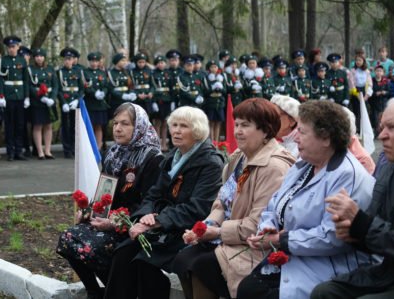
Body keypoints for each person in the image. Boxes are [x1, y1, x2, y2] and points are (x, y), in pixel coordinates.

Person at [237, 100, 376, 299]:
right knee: (247, 288)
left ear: (326, 138)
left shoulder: (346, 175)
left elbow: (333, 238)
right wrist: (268, 227)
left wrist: (281, 240)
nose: (296, 140)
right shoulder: (304, 164)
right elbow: (274, 204)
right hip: (294, 257)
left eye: (302, 132)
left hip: (329, 266)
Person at [313, 95, 394, 299]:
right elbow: (378, 229)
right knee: (325, 293)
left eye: (391, 128)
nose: (381, 135)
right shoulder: (393, 169)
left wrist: (362, 225)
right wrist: (352, 232)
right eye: (381, 127)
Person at [171, 98, 296, 299]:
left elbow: (258, 224)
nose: (237, 131)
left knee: (200, 265)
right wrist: (206, 226)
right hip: (231, 236)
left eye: (245, 125)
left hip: (254, 245)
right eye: (236, 124)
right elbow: (222, 202)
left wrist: (217, 231)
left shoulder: (275, 167)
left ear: (265, 130)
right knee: (182, 259)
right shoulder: (240, 156)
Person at [103, 106, 224, 299]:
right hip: (163, 225)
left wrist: (158, 220)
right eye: (174, 125)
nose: (176, 130)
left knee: (142, 259)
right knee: (124, 252)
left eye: (183, 126)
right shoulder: (172, 158)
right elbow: (153, 194)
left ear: (198, 130)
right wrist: (145, 216)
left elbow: (198, 207)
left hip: (186, 229)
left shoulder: (210, 163)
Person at [56, 103, 163, 299]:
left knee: (93, 247)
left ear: (138, 126)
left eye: (125, 124)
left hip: (134, 225)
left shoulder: (152, 158)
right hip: (108, 220)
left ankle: (120, 290)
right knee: (67, 238)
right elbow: (105, 193)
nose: (118, 129)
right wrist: (89, 211)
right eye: (115, 123)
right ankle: (94, 291)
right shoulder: (113, 153)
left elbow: (151, 202)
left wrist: (115, 223)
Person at [0, 35, 29, 161]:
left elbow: (25, 80)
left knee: (20, 125)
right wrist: (1, 96)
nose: (11, 49)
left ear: (18, 47)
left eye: (13, 47)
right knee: (9, 125)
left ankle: (19, 151)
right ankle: (10, 152)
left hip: (20, 96)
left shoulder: (22, 60)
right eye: (9, 47)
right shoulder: (3, 61)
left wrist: (26, 97)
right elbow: (1, 80)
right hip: (8, 96)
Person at [28, 48, 57, 159]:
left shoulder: (50, 69)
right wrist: (40, 97)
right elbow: (30, 86)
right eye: (37, 56)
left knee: (48, 125)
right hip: (37, 101)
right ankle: (40, 151)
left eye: (41, 56)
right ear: (34, 58)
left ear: (44, 57)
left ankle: (48, 151)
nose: (39, 58)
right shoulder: (30, 70)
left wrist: (52, 99)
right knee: (38, 126)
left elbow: (55, 85)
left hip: (49, 101)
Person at [57, 47, 84, 159]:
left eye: (70, 59)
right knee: (66, 126)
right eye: (66, 59)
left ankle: (74, 148)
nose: (68, 61)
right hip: (65, 103)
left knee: (75, 126)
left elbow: (81, 89)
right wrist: (63, 103)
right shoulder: (59, 72)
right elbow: (59, 89)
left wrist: (77, 100)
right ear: (64, 60)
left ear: (73, 60)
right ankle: (66, 149)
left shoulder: (77, 72)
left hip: (75, 102)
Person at [83, 51, 109, 149]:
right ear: (89, 62)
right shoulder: (85, 72)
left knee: (99, 126)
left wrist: (103, 93)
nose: (94, 63)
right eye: (92, 61)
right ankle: (90, 147)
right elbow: (86, 86)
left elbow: (106, 86)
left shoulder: (102, 72)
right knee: (90, 126)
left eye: (96, 61)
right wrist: (94, 93)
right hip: (90, 103)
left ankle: (98, 147)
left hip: (100, 104)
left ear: (99, 62)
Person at [151, 55, 173, 152]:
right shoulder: (153, 74)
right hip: (158, 100)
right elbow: (152, 88)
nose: (161, 64)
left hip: (167, 100)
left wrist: (172, 101)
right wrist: (153, 101)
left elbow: (172, 88)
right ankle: (157, 144)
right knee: (157, 123)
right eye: (159, 63)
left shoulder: (168, 73)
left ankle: (164, 144)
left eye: (163, 62)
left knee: (165, 123)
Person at [347, 55, 372, 134]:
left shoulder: (367, 71)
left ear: (363, 61)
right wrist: (356, 94)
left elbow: (370, 84)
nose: (358, 62)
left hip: (364, 91)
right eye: (357, 60)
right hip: (356, 92)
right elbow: (351, 83)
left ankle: (364, 129)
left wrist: (366, 95)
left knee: (365, 111)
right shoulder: (353, 71)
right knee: (356, 111)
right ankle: (356, 129)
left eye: (360, 60)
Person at [203, 59, 226, 142]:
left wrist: (220, 88)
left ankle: (217, 141)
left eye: (215, 67)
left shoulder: (221, 78)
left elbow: (225, 91)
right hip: (210, 103)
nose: (214, 69)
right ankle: (211, 141)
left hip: (219, 103)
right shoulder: (206, 78)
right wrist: (212, 89)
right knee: (211, 123)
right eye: (212, 67)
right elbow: (205, 91)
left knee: (218, 123)